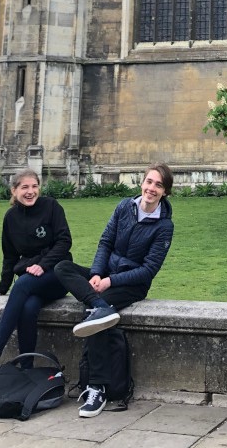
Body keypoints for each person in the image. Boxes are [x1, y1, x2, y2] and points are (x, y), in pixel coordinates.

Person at [54, 162, 174, 417]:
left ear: (165, 192)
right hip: (105, 276)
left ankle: (96, 388)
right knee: (63, 267)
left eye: (158, 185)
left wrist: (110, 282)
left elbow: (148, 270)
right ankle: (100, 307)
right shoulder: (124, 206)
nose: (151, 188)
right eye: (149, 182)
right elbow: (105, 242)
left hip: (131, 285)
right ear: (142, 182)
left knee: (95, 319)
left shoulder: (164, 226)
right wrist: (97, 273)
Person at [0, 169, 72, 387]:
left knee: (22, 284)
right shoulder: (10, 218)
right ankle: (27, 370)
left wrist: (43, 265)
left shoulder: (51, 207)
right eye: (25, 187)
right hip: (30, 279)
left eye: (34, 186)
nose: (30, 192)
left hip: (56, 274)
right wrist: (2, 287)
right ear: (14, 190)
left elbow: (64, 242)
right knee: (28, 308)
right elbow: (9, 255)